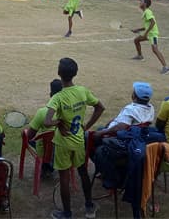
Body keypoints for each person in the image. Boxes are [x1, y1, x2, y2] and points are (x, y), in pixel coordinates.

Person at [44, 58, 104, 219]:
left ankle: (67, 213)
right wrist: (87, 126)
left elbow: (47, 121)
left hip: (63, 143)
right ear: (75, 73)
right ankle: (89, 206)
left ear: (59, 74)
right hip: (79, 141)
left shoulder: (57, 97)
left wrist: (59, 122)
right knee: (83, 172)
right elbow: (100, 107)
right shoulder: (82, 91)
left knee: (64, 177)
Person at [27, 79, 63, 178]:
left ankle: (46, 164)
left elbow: (30, 135)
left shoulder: (42, 112)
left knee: (35, 140)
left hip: (46, 149)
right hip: (64, 150)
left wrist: (24, 133)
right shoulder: (69, 112)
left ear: (50, 93)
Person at [131, 0, 169, 75]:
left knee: (155, 49)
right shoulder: (145, 12)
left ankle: (166, 67)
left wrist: (146, 33)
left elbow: (153, 23)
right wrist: (138, 29)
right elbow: (148, 25)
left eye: (141, 2)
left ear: (145, 4)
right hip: (149, 33)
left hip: (153, 34)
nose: (140, 3)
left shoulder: (147, 12)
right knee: (136, 40)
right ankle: (140, 56)